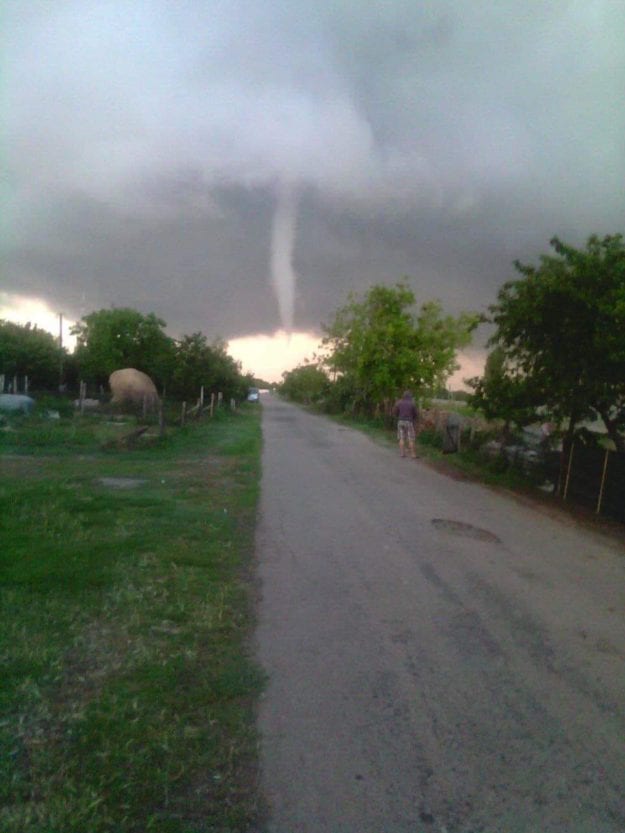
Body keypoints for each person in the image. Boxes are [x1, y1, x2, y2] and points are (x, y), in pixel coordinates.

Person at [393, 390, 418, 458]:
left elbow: (395, 412)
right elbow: (416, 414)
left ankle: (402, 453)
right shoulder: (412, 403)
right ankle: (413, 454)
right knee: (411, 438)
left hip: (400, 421)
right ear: (410, 396)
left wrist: (399, 416)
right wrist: (414, 419)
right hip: (409, 422)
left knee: (401, 438)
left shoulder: (399, 403)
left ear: (403, 396)